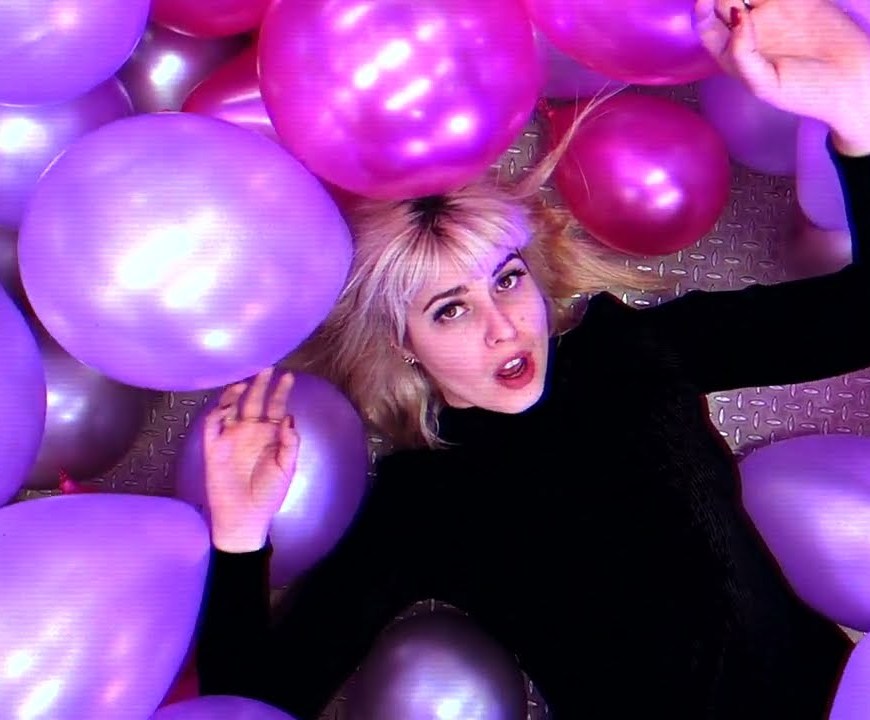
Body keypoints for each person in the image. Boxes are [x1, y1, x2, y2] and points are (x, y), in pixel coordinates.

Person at [196, 0, 870, 717]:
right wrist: (238, 535)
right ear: (403, 343)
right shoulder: (424, 502)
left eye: (507, 279)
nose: (502, 328)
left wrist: (853, 114)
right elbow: (258, 701)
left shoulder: (633, 352)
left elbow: (858, 319)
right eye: (449, 310)